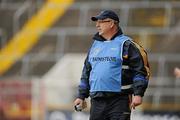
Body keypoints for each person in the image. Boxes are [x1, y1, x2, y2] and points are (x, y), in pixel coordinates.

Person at [74, 10, 150, 120]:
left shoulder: (127, 44)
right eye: (97, 22)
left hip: (119, 101)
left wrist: (138, 94)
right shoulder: (94, 46)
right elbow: (86, 72)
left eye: (101, 22)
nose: (97, 25)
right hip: (96, 101)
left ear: (111, 23)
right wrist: (81, 96)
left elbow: (140, 70)